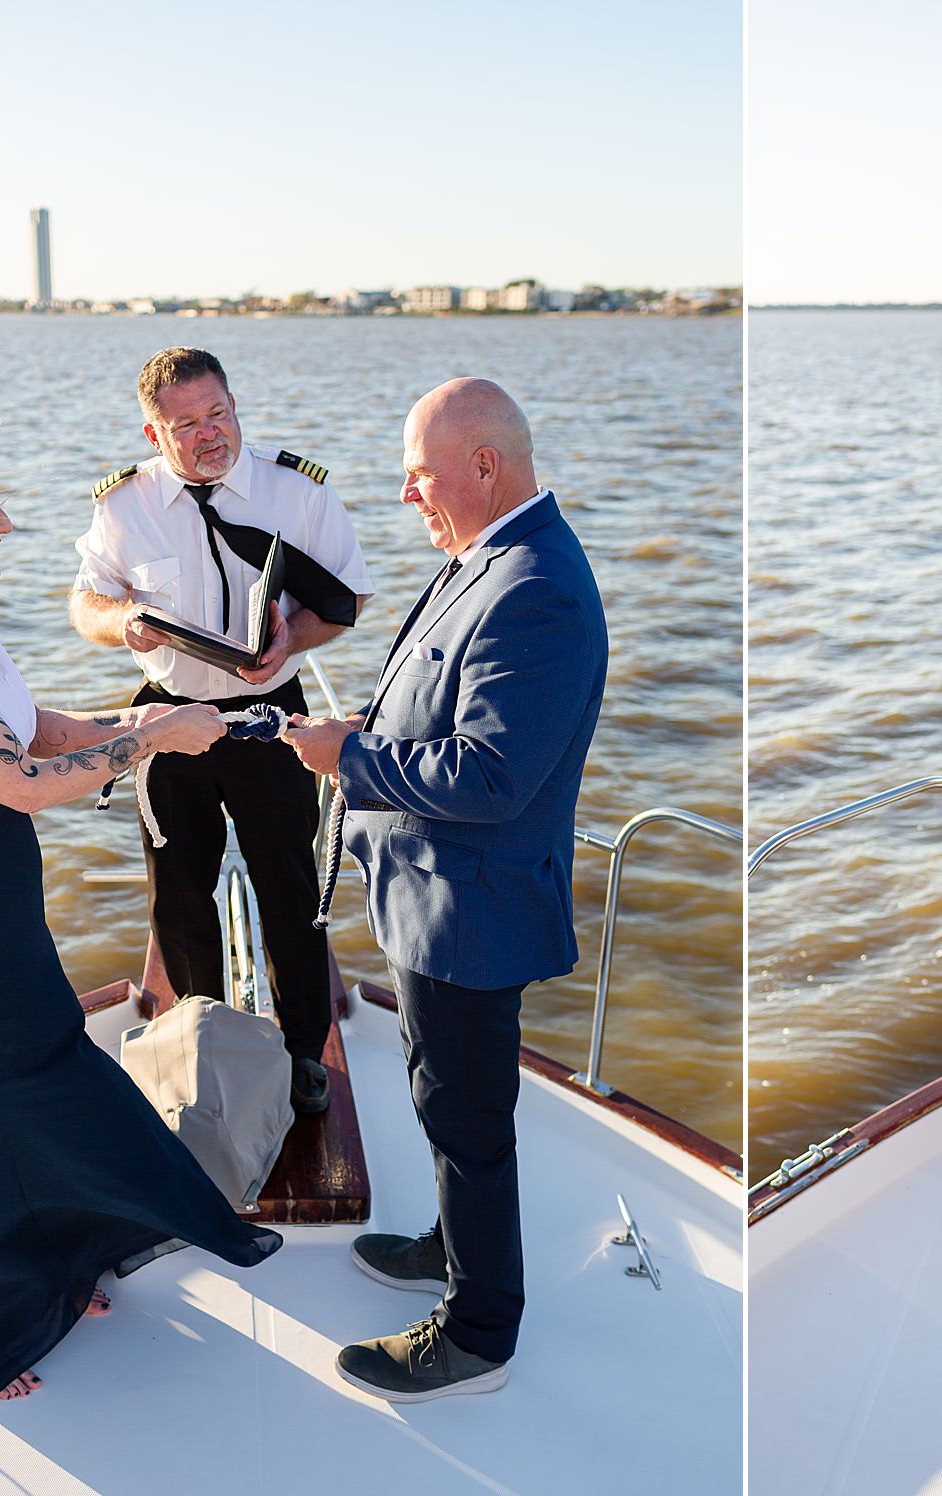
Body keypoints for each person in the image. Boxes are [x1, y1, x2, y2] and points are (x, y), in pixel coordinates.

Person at [0, 425, 282, 1402]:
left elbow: (37, 727)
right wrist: (157, 737)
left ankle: (62, 1268)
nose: (6, 524)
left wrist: (143, 723)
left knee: (48, 1083)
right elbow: (21, 781)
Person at [283, 378, 608, 1403]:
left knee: (466, 1114)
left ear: (483, 465)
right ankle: (451, 1243)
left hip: (473, 910)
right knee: (440, 1093)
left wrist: (349, 755)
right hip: (432, 900)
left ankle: (476, 1333)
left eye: (419, 473)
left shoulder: (535, 585)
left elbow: (490, 773)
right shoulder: (484, 557)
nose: (405, 493)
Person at [69, 347, 371, 1114]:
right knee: (179, 896)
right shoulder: (123, 506)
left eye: (221, 414)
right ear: (152, 433)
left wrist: (290, 642)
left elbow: (345, 601)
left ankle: (304, 1056)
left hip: (269, 716)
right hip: (169, 718)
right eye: (188, 424)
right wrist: (123, 621)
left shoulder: (294, 492)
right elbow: (86, 603)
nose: (211, 435)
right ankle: (202, 1043)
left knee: (290, 889)